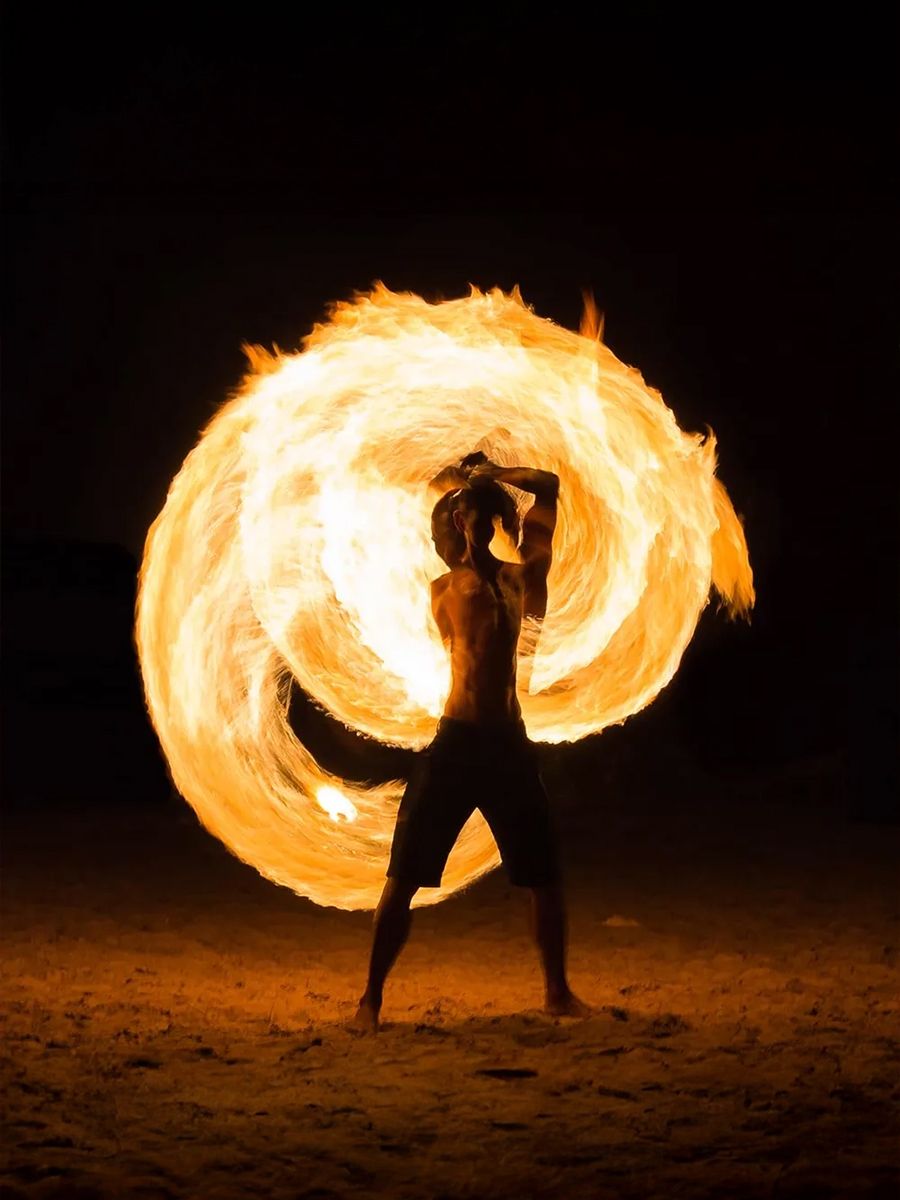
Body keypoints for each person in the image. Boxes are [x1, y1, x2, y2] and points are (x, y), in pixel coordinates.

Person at [351, 452, 591, 1032]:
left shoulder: (521, 579)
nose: (478, 521)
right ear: (458, 525)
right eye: (468, 515)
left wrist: (491, 480)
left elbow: (549, 488)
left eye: (485, 515)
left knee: (543, 875)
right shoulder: (443, 590)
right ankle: (370, 1001)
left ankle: (557, 993)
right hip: (455, 746)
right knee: (403, 877)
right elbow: (468, 580)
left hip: (508, 745)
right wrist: (466, 501)